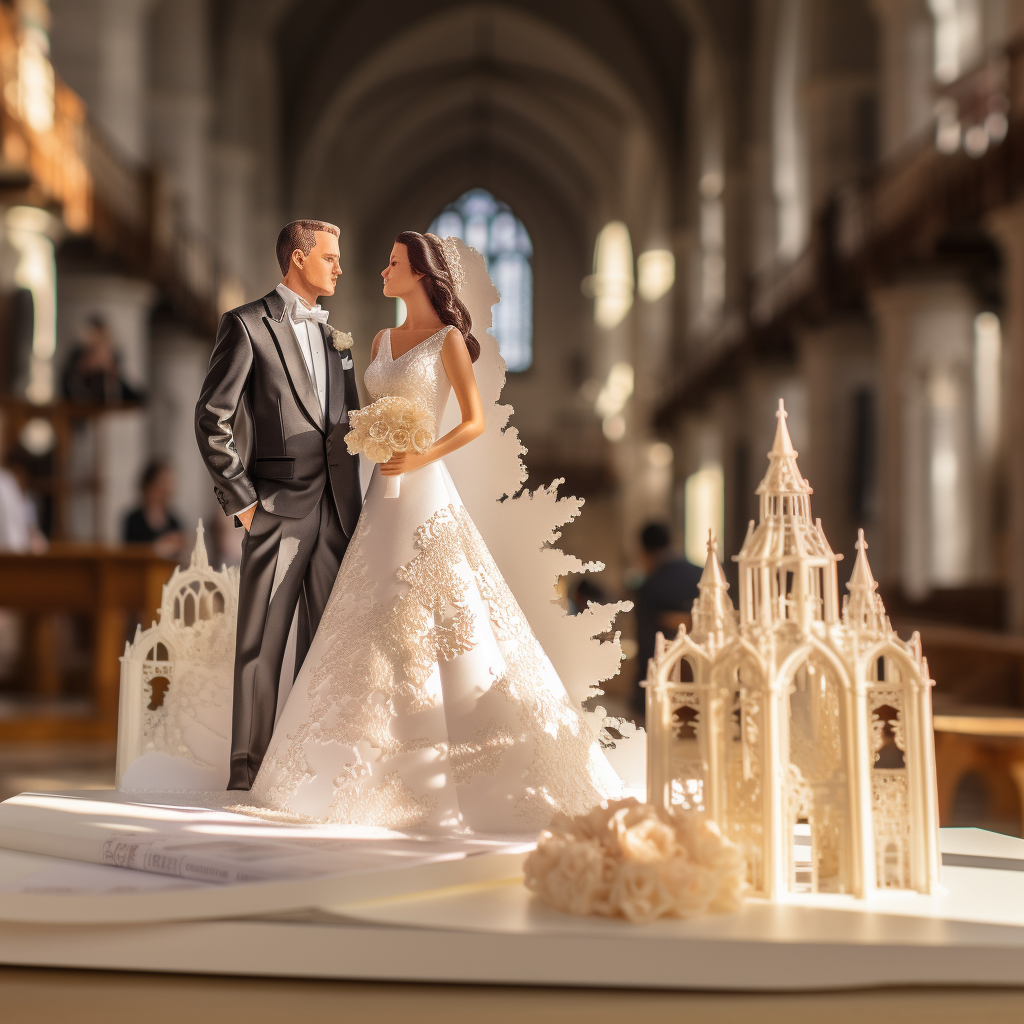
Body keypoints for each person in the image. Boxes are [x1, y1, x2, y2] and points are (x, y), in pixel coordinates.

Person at [248, 232, 620, 831]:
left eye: (392, 263)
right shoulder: (379, 341)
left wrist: (421, 455)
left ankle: (459, 755)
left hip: (420, 483)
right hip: (381, 491)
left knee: (439, 603)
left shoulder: (448, 342)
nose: (381, 271)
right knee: (372, 608)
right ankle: (357, 760)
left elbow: (472, 422)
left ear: (420, 274)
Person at [195, 219, 363, 791]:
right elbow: (212, 418)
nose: (340, 266)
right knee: (261, 645)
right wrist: (243, 504)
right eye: (330, 257)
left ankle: (307, 775)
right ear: (297, 258)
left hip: (339, 514)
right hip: (277, 508)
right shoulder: (245, 326)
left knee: (326, 650)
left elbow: (350, 430)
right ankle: (248, 776)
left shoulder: (338, 339)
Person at [631, 522, 703, 714]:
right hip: (704, 678)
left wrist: (640, 697)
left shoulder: (651, 586)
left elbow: (648, 645)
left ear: (644, 551)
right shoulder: (701, 573)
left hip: (669, 682)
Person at [61, 316, 144, 404]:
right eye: (97, 335)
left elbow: (128, 394)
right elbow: (68, 389)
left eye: (103, 337)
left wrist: (112, 372)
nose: (100, 341)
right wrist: (86, 368)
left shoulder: (112, 357)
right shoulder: (77, 357)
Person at [122, 460, 187, 561]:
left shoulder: (174, 521)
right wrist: (160, 547)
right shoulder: (133, 520)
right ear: (149, 485)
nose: (167, 488)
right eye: (163, 482)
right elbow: (130, 553)